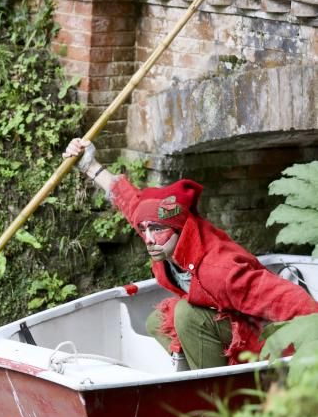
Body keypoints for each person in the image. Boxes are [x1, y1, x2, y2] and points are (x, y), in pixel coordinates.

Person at [63, 138, 318, 371]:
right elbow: (133, 205)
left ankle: (216, 398)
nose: (148, 238)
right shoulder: (163, 234)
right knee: (157, 321)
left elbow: (287, 298)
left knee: (186, 314)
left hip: (255, 341)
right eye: (145, 230)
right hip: (219, 316)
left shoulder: (221, 270)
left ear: (179, 229)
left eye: (155, 229)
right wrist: (89, 164)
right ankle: (187, 377)